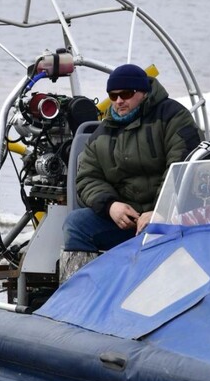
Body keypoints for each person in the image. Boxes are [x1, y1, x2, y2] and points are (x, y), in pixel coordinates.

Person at [62, 64, 202, 254]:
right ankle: (86, 274)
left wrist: (161, 211)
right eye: (113, 96)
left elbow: (183, 169)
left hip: (171, 217)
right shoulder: (101, 134)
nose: (119, 101)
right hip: (127, 220)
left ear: (143, 92)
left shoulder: (173, 117)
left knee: (157, 231)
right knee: (76, 224)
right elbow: (87, 178)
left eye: (126, 94)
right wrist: (111, 206)